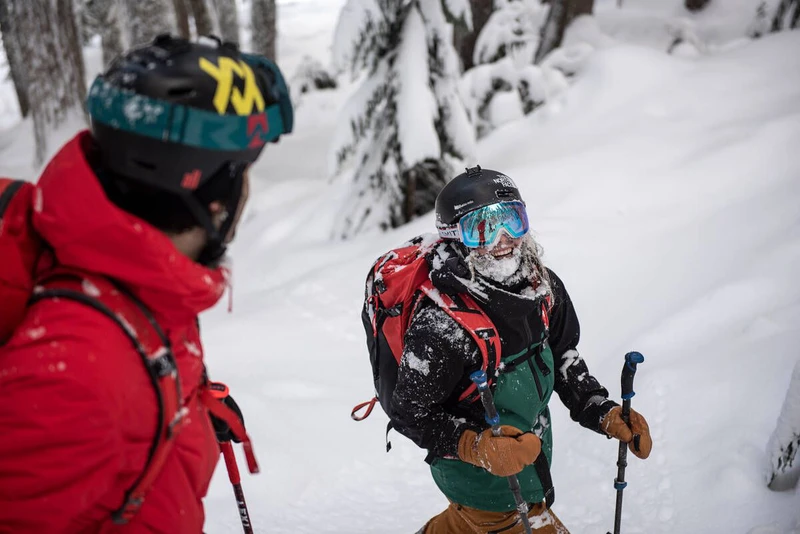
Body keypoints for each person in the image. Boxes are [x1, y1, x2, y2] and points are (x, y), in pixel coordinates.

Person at [0, 35, 292, 532]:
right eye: (243, 169)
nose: (246, 187)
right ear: (209, 190)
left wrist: (186, 404)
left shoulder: (124, 273)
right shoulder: (74, 378)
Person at [390, 166, 653, 534]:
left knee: (464, 526)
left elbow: (563, 356)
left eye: (512, 221)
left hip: (530, 458)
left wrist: (600, 409)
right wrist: (476, 446)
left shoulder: (541, 287)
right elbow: (409, 412)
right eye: (481, 228)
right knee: (494, 520)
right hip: (480, 482)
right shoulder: (442, 325)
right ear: (455, 238)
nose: (502, 239)